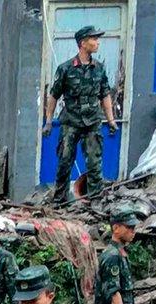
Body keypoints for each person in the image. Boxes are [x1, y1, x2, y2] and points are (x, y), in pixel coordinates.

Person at [43, 25, 116, 204]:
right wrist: (49, 121)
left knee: (94, 163)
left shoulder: (99, 68)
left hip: (92, 122)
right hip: (71, 122)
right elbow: (53, 96)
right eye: (94, 39)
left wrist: (111, 120)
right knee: (64, 161)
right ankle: (59, 200)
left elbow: (105, 94)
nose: (97, 42)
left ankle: (95, 202)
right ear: (83, 43)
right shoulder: (65, 68)